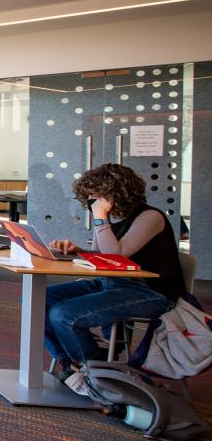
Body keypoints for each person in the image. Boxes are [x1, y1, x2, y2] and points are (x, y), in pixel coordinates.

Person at [44, 164, 182, 394]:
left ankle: (96, 367)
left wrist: (100, 217)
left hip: (150, 291)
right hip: (114, 282)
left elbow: (115, 255)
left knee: (64, 314)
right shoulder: (113, 218)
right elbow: (102, 257)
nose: (91, 203)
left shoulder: (150, 217)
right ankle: (70, 361)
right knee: (41, 299)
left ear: (115, 194)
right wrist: (77, 251)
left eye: (95, 197)